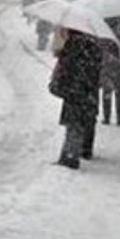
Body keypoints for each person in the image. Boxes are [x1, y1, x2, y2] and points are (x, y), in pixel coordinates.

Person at [49, 28, 102, 169]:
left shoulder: (72, 45)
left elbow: (67, 67)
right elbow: (96, 70)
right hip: (87, 92)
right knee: (80, 124)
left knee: (73, 125)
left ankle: (70, 157)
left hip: (73, 91)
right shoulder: (94, 46)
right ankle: (74, 153)